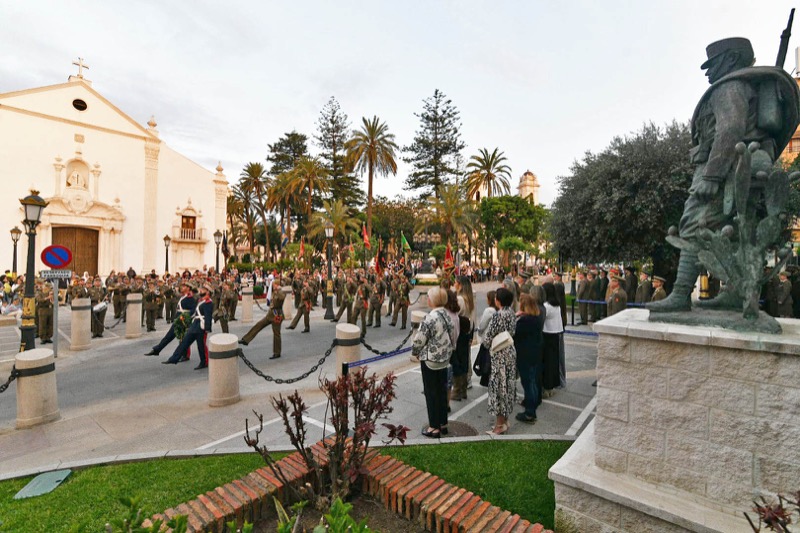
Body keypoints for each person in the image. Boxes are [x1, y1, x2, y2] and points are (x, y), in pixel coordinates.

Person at [649, 37, 800, 312]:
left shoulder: (729, 86)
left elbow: (730, 130)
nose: (708, 72)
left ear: (731, 59)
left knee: (694, 225)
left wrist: (712, 177)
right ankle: (735, 295)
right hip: (750, 166)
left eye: (713, 64)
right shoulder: (747, 87)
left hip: (729, 169)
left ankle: (680, 294)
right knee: (739, 231)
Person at [412, 287, 454, 439]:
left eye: (429, 297)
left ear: (433, 300)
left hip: (431, 359)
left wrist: (415, 352)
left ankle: (434, 427)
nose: (428, 299)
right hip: (444, 358)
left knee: (431, 393)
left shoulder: (430, 318)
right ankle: (443, 423)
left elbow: (419, 340)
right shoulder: (447, 315)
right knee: (442, 391)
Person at [481, 287, 517, 435]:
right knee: (507, 386)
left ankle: (499, 425)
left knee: (498, 388)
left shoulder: (498, 315)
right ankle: (505, 420)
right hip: (510, 351)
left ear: (498, 300)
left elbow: (488, 337)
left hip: (499, 354)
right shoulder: (511, 312)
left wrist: (486, 342)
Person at [164, 284, 213, 369]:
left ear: (208, 292)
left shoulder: (208, 303)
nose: (201, 290)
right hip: (195, 324)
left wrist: (207, 328)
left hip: (201, 325)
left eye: (203, 289)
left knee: (201, 345)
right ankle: (174, 358)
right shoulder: (200, 300)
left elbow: (208, 316)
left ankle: (204, 361)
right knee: (185, 341)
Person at [514, 293, 544, 424]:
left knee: (528, 382)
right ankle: (532, 402)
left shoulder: (524, 321)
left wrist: (516, 317)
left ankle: (530, 412)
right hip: (535, 353)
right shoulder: (537, 317)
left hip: (525, 355)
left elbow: (515, 333)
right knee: (532, 381)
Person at [145, 282, 196, 356]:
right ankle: (157, 349)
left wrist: (186, 318)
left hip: (183, 319)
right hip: (178, 319)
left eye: (184, 286)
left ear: (188, 288)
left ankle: (184, 355)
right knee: (170, 336)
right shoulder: (183, 296)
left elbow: (193, 310)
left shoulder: (190, 298)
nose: (182, 287)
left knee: (181, 338)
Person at [239, 282, 285, 359]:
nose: (273, 286)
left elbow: (282, 298)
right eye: (273, 285)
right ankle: (246, 340)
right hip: (270, 315)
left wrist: (279, 289)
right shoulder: (274, 292)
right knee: (259, 325)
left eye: (275, 285)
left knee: (276, 334)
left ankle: (277, 352)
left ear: (278, 285)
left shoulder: (281, 292)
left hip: (277, 315)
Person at [452, 275, 476, 398]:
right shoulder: (469, 299)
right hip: (466, 332)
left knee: (456, 361)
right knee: (464, 360)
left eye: (455, 282)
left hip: (459, 332)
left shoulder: (460, 299)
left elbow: (454, 314)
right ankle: (463, 389)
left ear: (460, 285)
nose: (454, 285)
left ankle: (457, 390)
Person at [541, 283, 563, 398]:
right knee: (554, 361)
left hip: (547, 334)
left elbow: (541, 318)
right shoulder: (556, 304)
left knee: (547, 362)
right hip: (555, 334)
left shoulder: (547, 306)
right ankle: (552, 386)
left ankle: (547, 387)